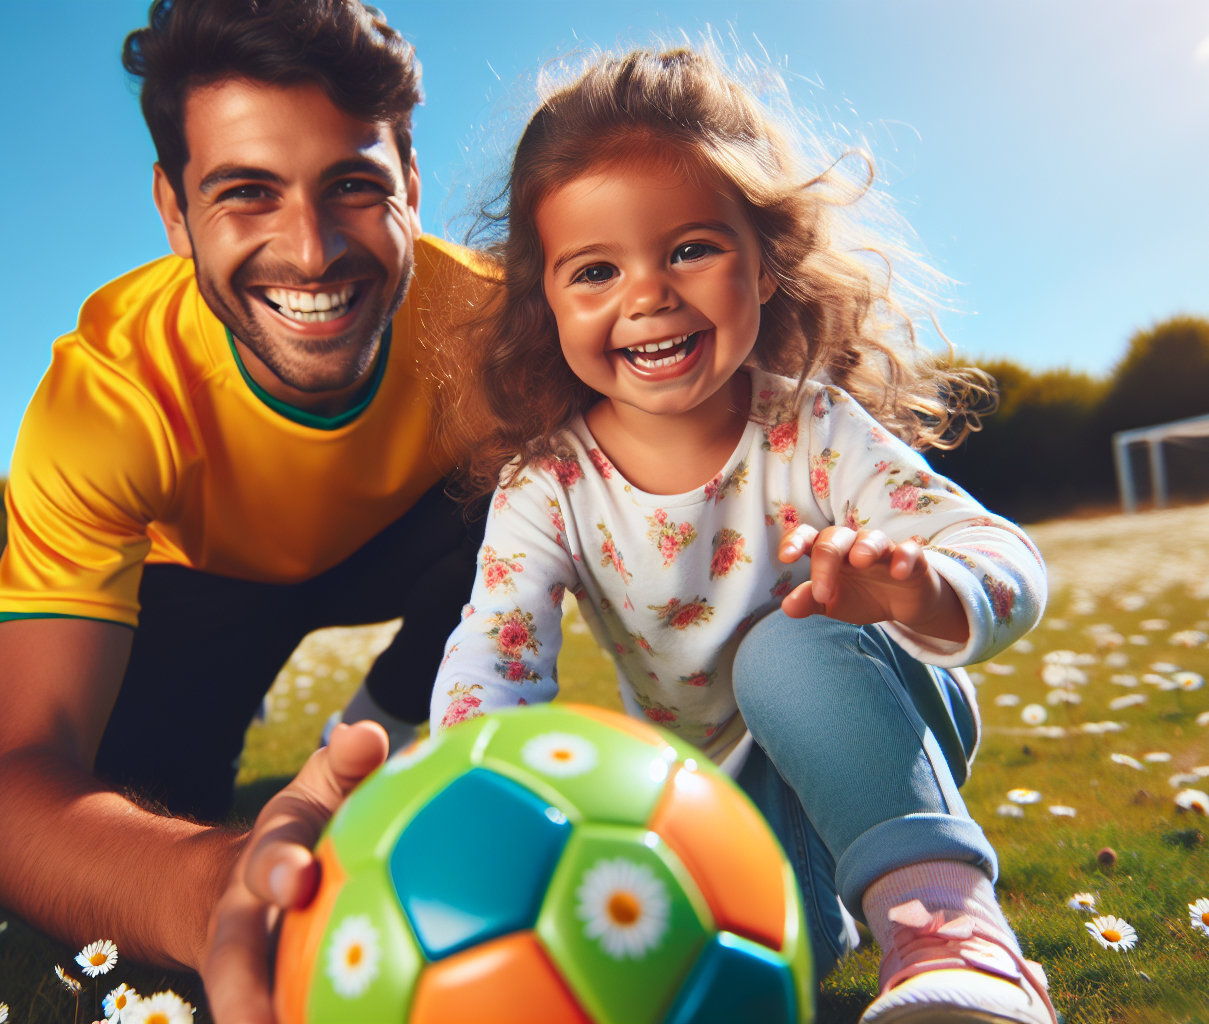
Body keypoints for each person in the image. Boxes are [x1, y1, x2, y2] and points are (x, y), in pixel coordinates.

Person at [429, 48, 1056, 1024]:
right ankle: (833, 933)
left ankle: (954, 936)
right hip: (718, 813)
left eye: (688, 249)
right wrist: (476, 796)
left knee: (787, 642)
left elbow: (1004, 557)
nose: (647, 294)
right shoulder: (546, 483)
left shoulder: (810, 428)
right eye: (595, 270)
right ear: (544, 303)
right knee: (720, 990)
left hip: (871, 727)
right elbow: (495, 651)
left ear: (764, 263)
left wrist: (919, 590)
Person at [0, 2, 485, 1021]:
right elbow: (14, 785)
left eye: (354, 185)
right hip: (205, 586)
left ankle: (373, 725)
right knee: (143, 803)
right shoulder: (107, 397)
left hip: (404, 542)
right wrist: (205, 884)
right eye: (246, 193)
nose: (313, 250)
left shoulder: (493, 321)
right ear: (173, 208)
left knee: (549, 465)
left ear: (410, 190)